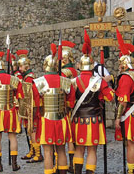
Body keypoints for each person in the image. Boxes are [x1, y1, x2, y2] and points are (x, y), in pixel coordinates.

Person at [71, 31, 114, 174]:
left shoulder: (74, 81)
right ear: (91, 66)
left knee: (79, 148)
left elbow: (70, 102)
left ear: (80, 66)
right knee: (91, 150)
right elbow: (110, 98)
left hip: (78, 121)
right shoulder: (99, 81)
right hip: (94, 119)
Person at [33, 44, 75, 174]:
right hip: (62, 119)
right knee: (61, 149)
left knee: (48, 151)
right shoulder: (66, 81)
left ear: (45, 66)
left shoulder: (38, 82)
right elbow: (70, 103)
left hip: (46, 120)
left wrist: (35, 123)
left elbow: (36, 105)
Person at [16, 49, 43, 163]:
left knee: (33, 131)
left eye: (21, 67)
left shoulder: (29, 79)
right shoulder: (26, 78)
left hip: (32, 108)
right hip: (28, 108)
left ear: (26, 67)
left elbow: (32, 95)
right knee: (29, 130)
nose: (19, 69)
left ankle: (38, 153)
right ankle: (32, 150)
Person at [115, 29, 134, 174]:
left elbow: (123, 101)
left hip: (131, 115)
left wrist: (117, 118)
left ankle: (131, 170)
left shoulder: (126, 78)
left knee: (131, 143)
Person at [61, 41, 78, 173]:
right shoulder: (75, 71)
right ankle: (72, 163)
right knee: (72, 135)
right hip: (76, 106)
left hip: (64, 106)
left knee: (65, 135)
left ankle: (63, 164)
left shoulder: (64, 72)